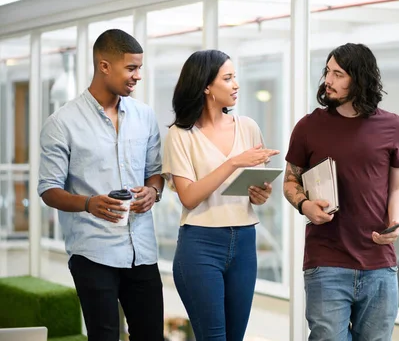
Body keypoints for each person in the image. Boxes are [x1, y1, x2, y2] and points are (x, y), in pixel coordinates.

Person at [37, 29, 165, 341]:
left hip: (142, 250)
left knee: (150, 336)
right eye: (131, 68)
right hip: (93, 252)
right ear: (104, 65)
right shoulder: (62, 122)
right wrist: (88, 203)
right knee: (104, 336)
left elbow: (156, 172)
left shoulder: (145, 116)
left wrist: (154, 191)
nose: (137, 77)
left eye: (139, 69)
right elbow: (48, 188)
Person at [283, 43, 399, 340]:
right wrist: (304, 206)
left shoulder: (392, 126)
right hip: (326, 262)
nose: (328, 80)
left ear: (359, 79)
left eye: (338, 74)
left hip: (379, 263)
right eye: (328, 71)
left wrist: (396, 221)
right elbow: (290, 181)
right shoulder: (308, 127)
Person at [162, 49, 279, 341]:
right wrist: (234, 162)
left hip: (244, 242)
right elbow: (188, 197)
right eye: (228, 78)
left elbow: (258, 194)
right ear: (205, 86)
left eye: (235, 77)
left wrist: (260, 193)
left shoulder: (249, 127)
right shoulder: (180, 135)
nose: (236, 84)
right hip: (200, 244)